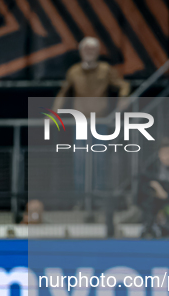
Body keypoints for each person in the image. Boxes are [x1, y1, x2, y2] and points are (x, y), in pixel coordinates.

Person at [54, 37, 130, 205]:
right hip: (80, 122)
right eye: (86, 49)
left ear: (97, 52)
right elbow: (63, 92)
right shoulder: (74, 71)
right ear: (81, 52)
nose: (89, 52)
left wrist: (123, 98)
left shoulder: (105, 69)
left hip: (100, 122)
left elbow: (123, 85)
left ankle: (98, 196)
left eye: (92, 50)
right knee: (80, 159)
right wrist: (54, 113)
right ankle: (82, 198)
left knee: (99, 159)